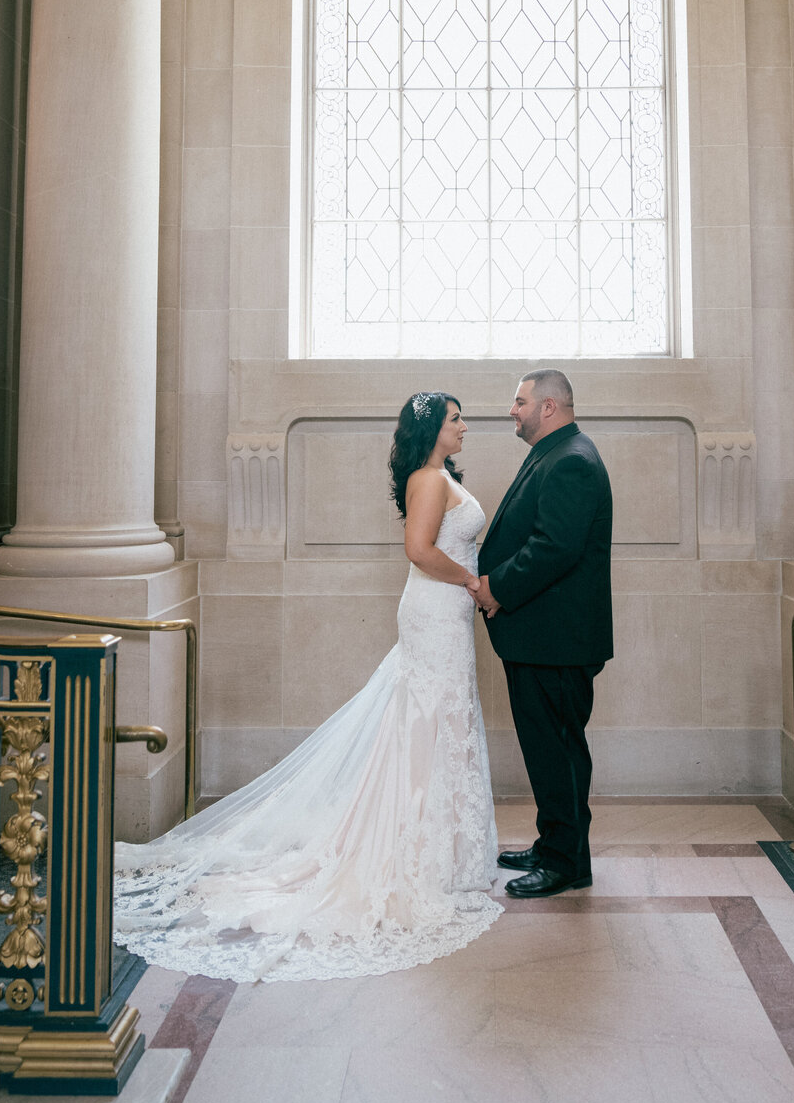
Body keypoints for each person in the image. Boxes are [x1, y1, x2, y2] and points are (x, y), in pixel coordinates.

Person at [111, 393, 502, 982]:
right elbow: (419, 552)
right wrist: (472, 581)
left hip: (447, 613)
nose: (465, 425)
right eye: (455, 419)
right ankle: (417, 854)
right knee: (427, 721)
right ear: (432, 429)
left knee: (446, 720)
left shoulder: (443, 475)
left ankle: (445, 852)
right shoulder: (428, 478)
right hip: (435, 608)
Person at [476, 369, 614, 899]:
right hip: (541, 636)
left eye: (520, 401)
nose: (513, 410)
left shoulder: (573, 461)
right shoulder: (556, 452)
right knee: (547, 747)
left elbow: (553, 548)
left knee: (557, 749)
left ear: (550, 406)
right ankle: (553, 842)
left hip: (555, 638)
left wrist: (496, 589)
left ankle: (567, 862)